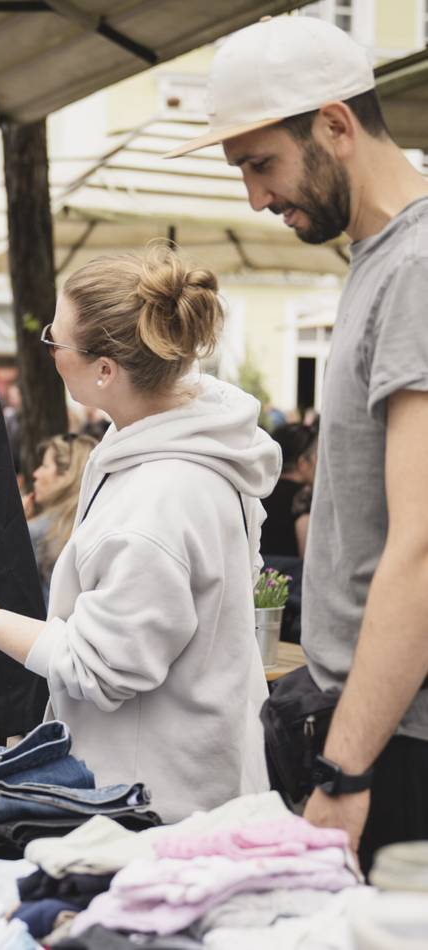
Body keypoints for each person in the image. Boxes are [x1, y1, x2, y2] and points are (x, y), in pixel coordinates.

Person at [0, 244, 281, 822]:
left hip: (154, 806)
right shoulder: (180, 444)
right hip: (197, 773)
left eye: (54, 340)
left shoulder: (155, 502)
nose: (49, 350)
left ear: (105, 370)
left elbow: (96, 670)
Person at [170, 15, 428, 866]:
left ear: (336, 126)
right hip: (374, 724)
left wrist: (346, 773)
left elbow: (421, 547)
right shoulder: (382, 259)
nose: (253, 196)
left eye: (260, 163)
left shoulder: (419, 265)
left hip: (399, 741)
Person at [26, 433, 97, 604]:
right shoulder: (95, 520)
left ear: (67, 476)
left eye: (44, 466)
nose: (36, 474)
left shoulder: (38, 531)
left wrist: (15, 527)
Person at [260, 423, 316, 559]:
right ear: (303, 463)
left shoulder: (259, 490)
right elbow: (308, 554)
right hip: (291, 577)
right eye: (316, 456)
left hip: (261, 576)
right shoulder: (303, 496)